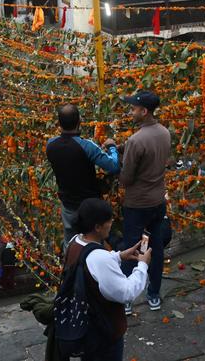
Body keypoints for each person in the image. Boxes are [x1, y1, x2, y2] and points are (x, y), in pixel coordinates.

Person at [61, 198, 151, 361]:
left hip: (85, 326)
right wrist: (142, 266)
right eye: (108, 221)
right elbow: (126, 292)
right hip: (103, 332)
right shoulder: (100, 258)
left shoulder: (75, 242)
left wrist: (119, 256)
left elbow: (89, 264)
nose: (111, 223)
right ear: (97, 227)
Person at [117, 90, 172, 313]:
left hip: (137, 203)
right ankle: (154, 295)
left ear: (144, 111)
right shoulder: (164, 132)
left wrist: (115, 156)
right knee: (156, 246)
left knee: (132, 247)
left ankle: (128, 298)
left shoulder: (136, 140)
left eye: (133, 109)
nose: (131, 112)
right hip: (158, 200)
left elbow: (126, 178)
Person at [47, 104, 120, 246]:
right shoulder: (87, 146)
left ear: (58, 123)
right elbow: (113, 166)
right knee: (94, 241)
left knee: (71, 243)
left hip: (68, 204)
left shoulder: (50, 144)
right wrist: (112, 147)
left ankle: (72, 266)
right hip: (90, 205)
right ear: (79, 121)